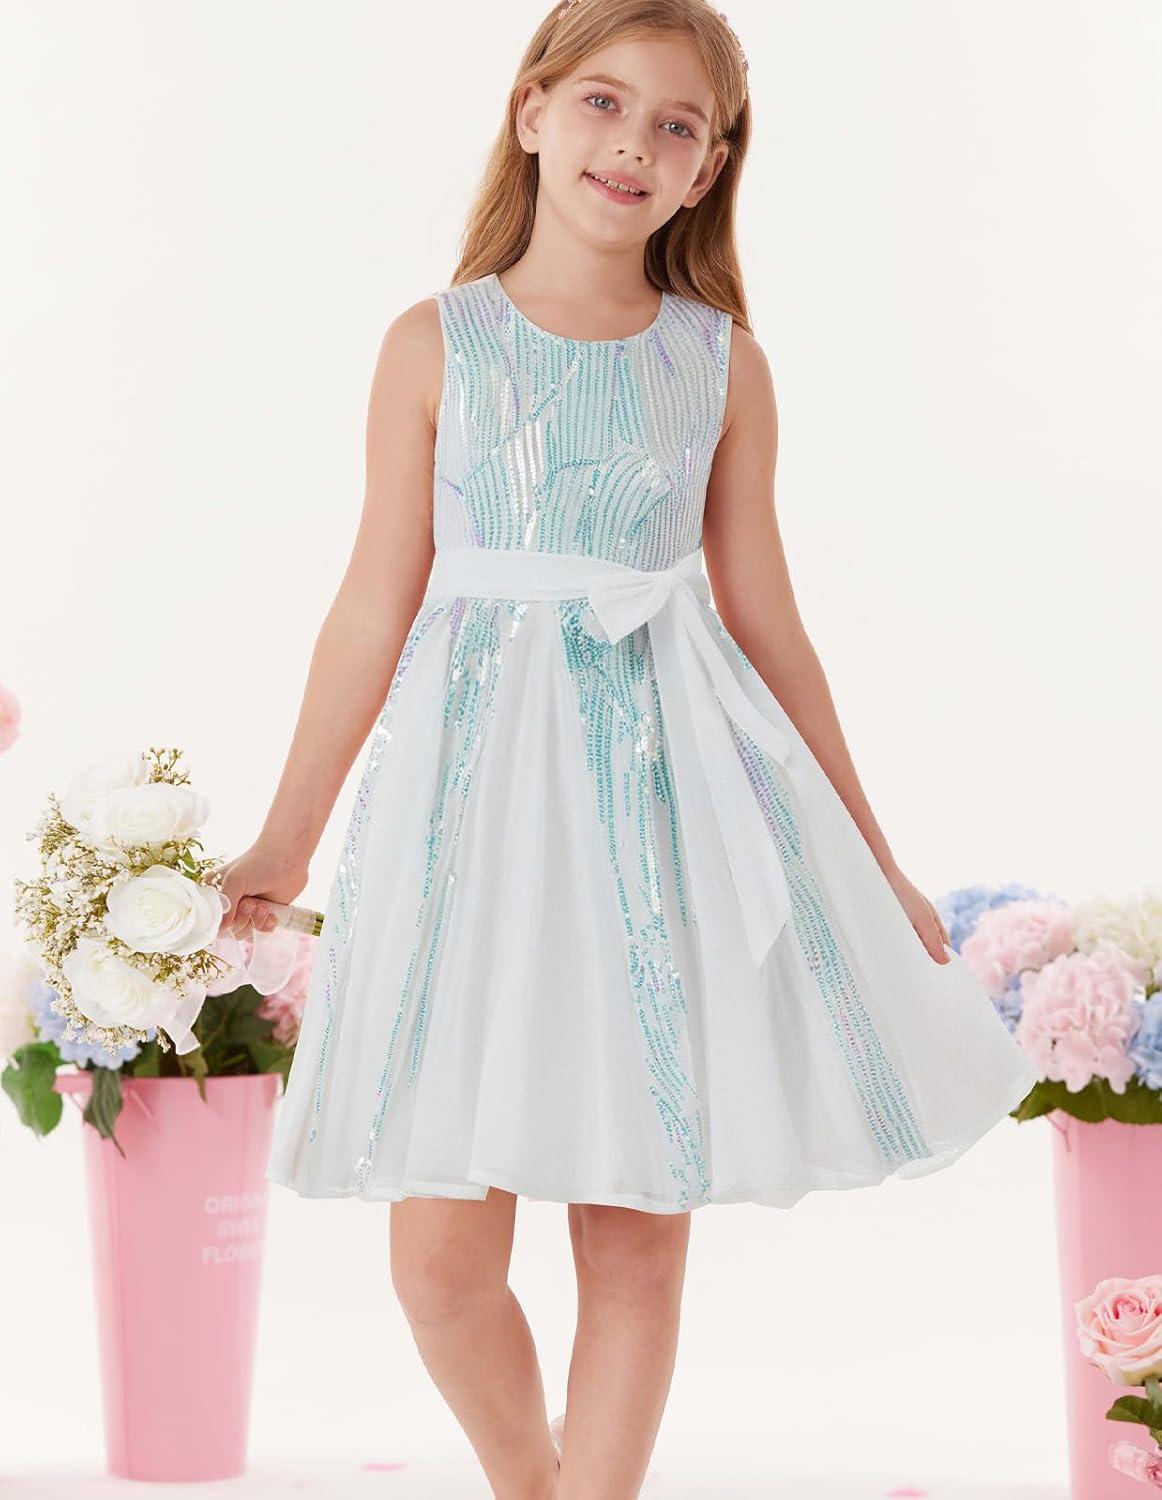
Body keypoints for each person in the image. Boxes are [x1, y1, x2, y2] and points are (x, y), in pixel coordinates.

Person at [215, 1, 1040, 1494]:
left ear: (708, 168)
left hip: (659, 807)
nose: (633, 145)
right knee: (440, 1263)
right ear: (532, 112)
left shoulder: (719, 363)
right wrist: (287, 836)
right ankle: (530, 1482)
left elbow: (770, 624)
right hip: (468, 814)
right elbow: (369, 604)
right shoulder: (435, 343)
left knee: (635, 1236)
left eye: (676, 126)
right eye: (603, 102)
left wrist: (874, 857)